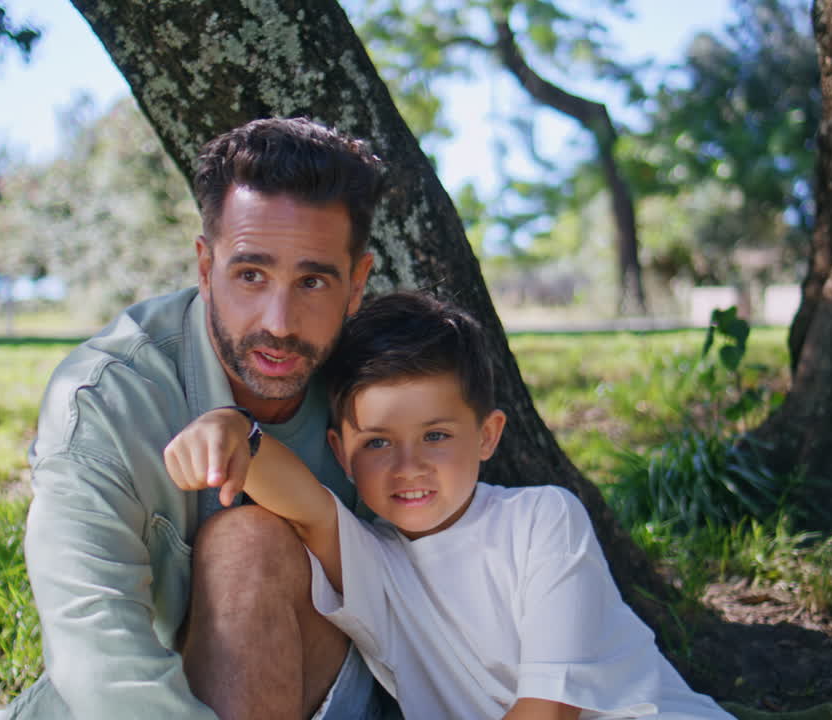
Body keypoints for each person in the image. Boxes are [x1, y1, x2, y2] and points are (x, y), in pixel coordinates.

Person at [0, 117, 397, 719]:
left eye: (313, 281)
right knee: (247, 545)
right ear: (205, 268)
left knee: (250, 545)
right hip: (142, 703)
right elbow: (98, 656)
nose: (279, 322)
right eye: (250, 275)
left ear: (357, 284)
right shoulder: (106, 399)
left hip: (332, 691)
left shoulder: (389, 392)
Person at [166, 292, 735, 720]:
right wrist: (234, 428)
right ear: (341, 453)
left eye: (436, 436)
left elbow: (549, 711)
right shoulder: (377, 565)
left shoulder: (541, 520)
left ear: (487, 436)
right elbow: (307, 504)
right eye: (378, 443)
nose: (407, 466)